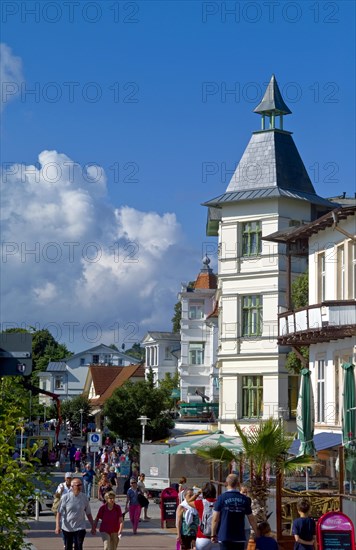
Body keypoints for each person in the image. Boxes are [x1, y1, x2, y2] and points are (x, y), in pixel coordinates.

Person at [211, 474, 258, 550]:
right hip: (239, 536)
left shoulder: (221, 498)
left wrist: (213, 534)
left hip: (224, 536)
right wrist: (257, 533)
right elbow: (251, 519)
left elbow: (215, 519)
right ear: (238, 484)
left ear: (226, 483)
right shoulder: (244, 499)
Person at [55, 476, 96, 550]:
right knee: (68, 547)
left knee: (79, 546)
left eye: (81, 485)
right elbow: (59, 513)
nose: (80, 487)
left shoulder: (84, 497)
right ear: (72, 486)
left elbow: (88, 513)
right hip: (67, 527)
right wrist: (57, 526)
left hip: (80, 527)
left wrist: (93, 526)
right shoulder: (65, 497)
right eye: (77, 485)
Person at [186, 481, 219, 549]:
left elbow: (188, 501)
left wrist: (198, 493)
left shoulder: (200, 503)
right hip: (217, 537)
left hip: (202, 537)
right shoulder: (219, 502)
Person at [240, 485, 251, 550]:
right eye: (243, 492)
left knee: (245, 545)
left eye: (246, 492)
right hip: (239, 527)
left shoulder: (248, 500)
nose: (245, 494)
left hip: (246, 526)